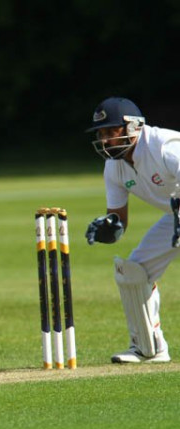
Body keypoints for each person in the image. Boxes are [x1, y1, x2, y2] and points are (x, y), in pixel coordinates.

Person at [84, 96, 178, 363]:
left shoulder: (163, 145)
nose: (104, 140)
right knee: (134, 272)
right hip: (176, 214)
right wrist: (109, 227)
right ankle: (149, 347)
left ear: (132, 127)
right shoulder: (114, 167)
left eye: (109, 132)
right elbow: (119, 219)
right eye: (100, 133)